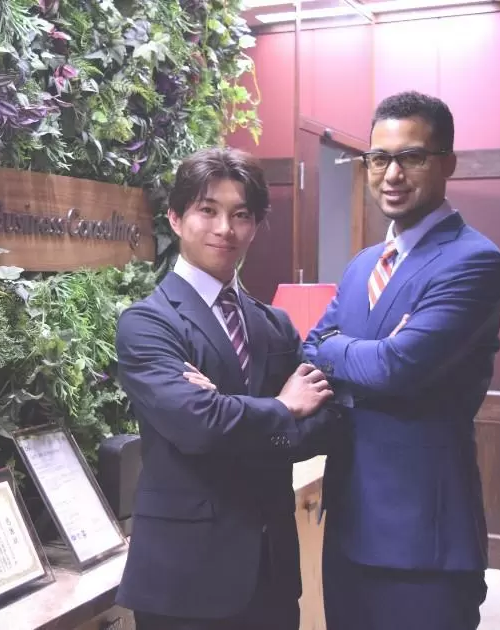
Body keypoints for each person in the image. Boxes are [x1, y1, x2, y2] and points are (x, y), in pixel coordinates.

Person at [303, 91, 500, 630]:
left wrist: (339, 349)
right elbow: (311, 346)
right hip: (348, 524)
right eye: (379, 158)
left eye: (411, 157)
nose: (391, 174)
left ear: (447, 163)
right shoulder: (363, 265)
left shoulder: (474, 261)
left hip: (424, 539)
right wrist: (359, 352)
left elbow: (397, 367)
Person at [113, 147, 341, 630]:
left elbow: (323, 420)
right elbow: (198, 426)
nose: (225, 228)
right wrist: (283, 407)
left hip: (272, 570)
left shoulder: (273, 324)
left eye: (241, 215)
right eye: (208, 210)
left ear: (254, 226)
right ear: (176, 218)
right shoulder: (148, 323)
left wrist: (227, 410)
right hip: (185, 578)